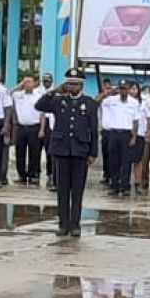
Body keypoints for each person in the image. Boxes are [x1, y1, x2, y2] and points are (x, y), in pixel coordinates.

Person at [34, 68, 98, 237]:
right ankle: (63, 224)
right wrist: (55, 91)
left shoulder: (89, 103)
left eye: (75, 84)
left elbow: (93, 129)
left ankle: (75, 224)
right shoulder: (57, 100)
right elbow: (39, 105)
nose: (72, 87)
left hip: (80, 150)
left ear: (81, 85)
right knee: (62, 190)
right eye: (69, 83)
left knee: (77, 190)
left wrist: (93, 153)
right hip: (61, 150)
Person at [98, 79, 139, 197]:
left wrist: (134, 137)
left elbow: (136, 121)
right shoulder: (111, 100)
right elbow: (97, 101)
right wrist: (108, 92)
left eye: (125, 88)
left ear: (128, 89)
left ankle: (125, 186)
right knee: (113, 161)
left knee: (126, 162)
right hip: (113, 134)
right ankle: (115, 185)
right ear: (119, 89)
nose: (123, 90)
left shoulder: (134, 102)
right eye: (121, 88)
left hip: (127, 134)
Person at [10, 75, 44, 186]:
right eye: (25, 82)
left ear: (34, 83)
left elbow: (43, 114)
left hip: (35, 127)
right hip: (21, 127)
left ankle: (33, 175)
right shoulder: (18, 95)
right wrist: (19, 85)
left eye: (30, 82)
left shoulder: (39, 95)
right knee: (20, 152)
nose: (27, 84)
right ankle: (22, 175)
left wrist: (42, 129)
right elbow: (8, 93)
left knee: (34, 152)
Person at [38, 73, 56, 190]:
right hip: (38, 123)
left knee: (51, 152)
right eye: (44, 80)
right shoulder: (38, 92)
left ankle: (51, 175)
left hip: (52, 124)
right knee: (40, 150)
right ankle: (37, 173)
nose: (46, 82)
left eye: (48, 80)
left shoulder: (55, 93)